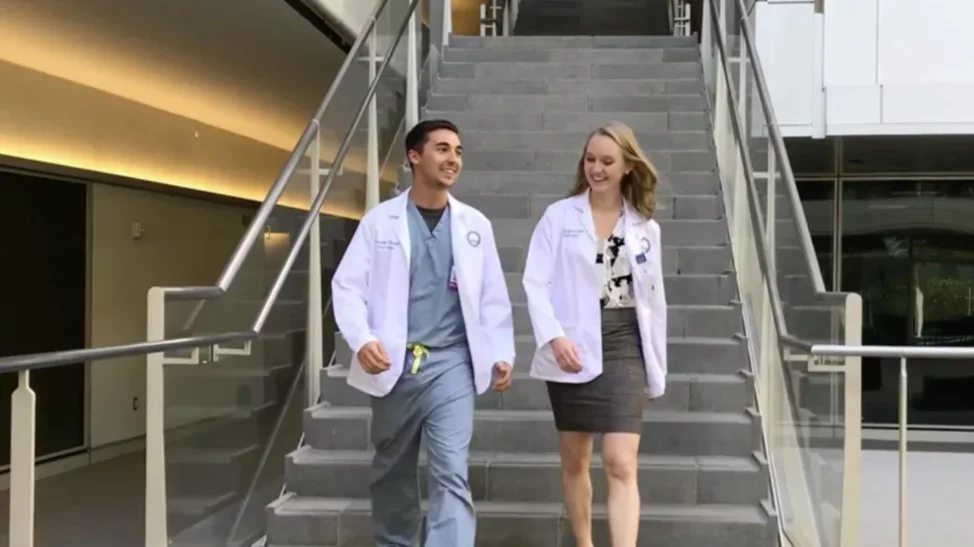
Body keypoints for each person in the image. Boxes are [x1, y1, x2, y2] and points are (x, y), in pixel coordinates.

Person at [331, 119, 515, 547]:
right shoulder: (380, 223)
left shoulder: (475, 226)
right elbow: (346, 286)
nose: (454, 159)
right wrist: (362, 339)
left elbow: (493, 299)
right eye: (443, 149)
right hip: (395, 362)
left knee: (451, 468)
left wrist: (500, 352)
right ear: (415, 156)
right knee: (392, 469)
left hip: (452, 362)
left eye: (459, 151)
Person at [521, 121, 668, 547]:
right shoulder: (558, 216)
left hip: (625, 344)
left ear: (627, 167)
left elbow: (654, 303)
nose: (597, 169)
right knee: (575, 459)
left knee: (622, 462)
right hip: (572, 345)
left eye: (607, 161)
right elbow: (535, 282)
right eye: (590, 159)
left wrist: (654, 359)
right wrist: (554, 336)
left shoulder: (645, 227)